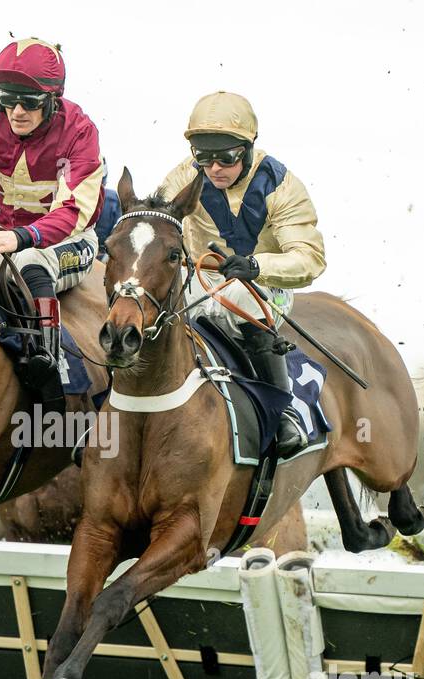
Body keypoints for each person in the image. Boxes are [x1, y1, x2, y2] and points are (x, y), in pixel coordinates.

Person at [159, 91, 325, 458]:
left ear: (249, 148)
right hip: (199, 281)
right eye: (204, 157)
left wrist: (257, 266)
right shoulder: (183, 177)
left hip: (264, 286)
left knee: (242, 298)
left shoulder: (281, 185)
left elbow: (310, 258)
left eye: (226, 157)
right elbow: (158, 224)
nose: (214, 168)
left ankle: (282, 411)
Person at [0, 38, 105, 392]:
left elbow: (74, 210)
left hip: (67, 239)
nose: (17, 111)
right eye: (7, 99)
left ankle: (50, 360)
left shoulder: (80, 131)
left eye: (30, 101)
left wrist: (24, 237)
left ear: (53, 99)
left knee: (30, 262)